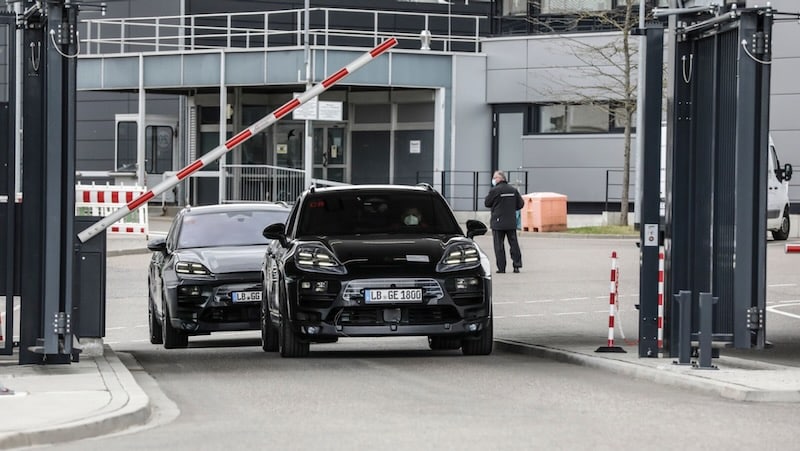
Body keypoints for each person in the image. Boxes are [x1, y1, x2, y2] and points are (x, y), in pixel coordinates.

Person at [484, 170, 524, 273]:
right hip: (511, 221)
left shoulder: (494, 191)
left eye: (495, 178)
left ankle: (501, 268)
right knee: (514, 244)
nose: (493, 180)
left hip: (498, 223)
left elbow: (487, 203)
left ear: (500, 179)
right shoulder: (513, 190)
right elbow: (520, 204)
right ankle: (517, 265)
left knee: (499, 246)